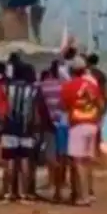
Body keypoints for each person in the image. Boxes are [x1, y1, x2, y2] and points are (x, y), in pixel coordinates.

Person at [61, 56, 103, 206]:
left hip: (78, 124)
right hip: (92, 123)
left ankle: (82, 196)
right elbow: (100, 104)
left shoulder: (68, 86)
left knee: (77, 162)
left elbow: (64, 107)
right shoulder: (92, 85)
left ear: (72, 71)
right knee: (87, 161)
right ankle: (89, 192)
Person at [0, 52, 39, 203]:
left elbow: (3, 108)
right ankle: (23, 193)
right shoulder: (33, 89)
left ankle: (8, 192)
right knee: (24, 161)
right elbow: (35, 110)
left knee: (9, 161)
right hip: (26, 128)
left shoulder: (7, 88)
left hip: (10, 126)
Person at [38, 62, 68, 202]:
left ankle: (53, 183)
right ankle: (59, 189)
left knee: (51, 158)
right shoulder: (65, 87)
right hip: (64, 124)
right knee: (62, 157)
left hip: (49, 126)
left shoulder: (43, 86)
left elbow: (38, 103)